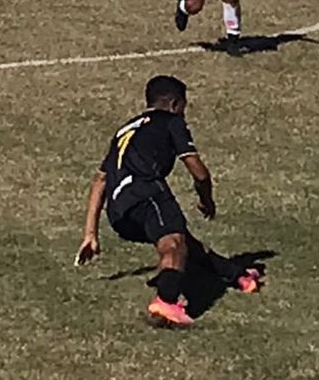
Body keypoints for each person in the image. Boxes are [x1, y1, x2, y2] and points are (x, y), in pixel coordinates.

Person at [74, 75, 263, 328]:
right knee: (173, 245)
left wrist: (90, 234)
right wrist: (207, 200)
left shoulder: (125, 129)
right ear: (175, 104)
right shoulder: (171, 121)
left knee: (183, 242)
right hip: (147, 192)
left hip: (119, 212)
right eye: (184, 106)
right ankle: (166, 301)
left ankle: (236, 275)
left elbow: (100, 180)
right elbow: (200, 172)